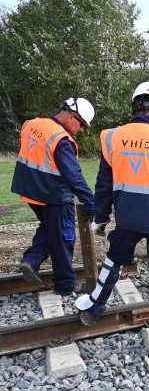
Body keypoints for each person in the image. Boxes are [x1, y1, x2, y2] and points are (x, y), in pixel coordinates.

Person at [75, 82, 149, 348]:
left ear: (134, 106)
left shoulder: (111, 137)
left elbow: (104, 183)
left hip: (128, 218)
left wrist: (101, 217)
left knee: (113, 262)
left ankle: (94, 307)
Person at [12, 97, 96, 295]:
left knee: (49, 229)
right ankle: (66, 285)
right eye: (82, 124)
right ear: (70, 116)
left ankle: (31, 261)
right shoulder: (61, 140)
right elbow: (73, 176)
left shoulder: (30, 124)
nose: (82, 129)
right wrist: (91, 201)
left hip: (31, 192)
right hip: (54, 196)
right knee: (63, 238)